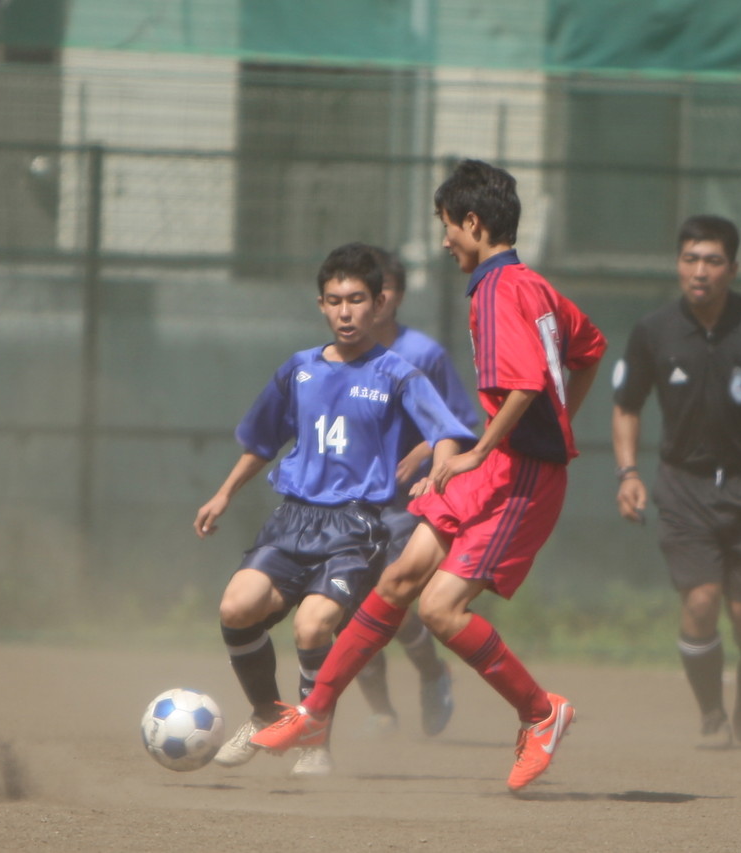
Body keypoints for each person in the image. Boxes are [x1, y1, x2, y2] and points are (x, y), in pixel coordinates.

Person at [249, 159, 608, 793]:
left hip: (519, 475)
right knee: (400, 576)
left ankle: (541, 713)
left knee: (440, 609)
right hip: (503, 463)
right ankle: (314, 713)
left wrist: (477, 450)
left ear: (473, 223)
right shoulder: (532, 284)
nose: (444, 241)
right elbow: (590, 348)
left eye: (447, 226)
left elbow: (526, 383)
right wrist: (557, 421)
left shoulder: (499, 290)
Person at [193, 242, 476, 778]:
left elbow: (448, 432)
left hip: (356, 527)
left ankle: (314, 743)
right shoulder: (298, 370)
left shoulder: (398, 372)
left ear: (378, 304)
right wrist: (224, 493)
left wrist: (438, 471)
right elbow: (262, 440)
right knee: (236, 607)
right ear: (321, 306)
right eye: (334, 300)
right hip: (294, 518)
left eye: (356, 299)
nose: (345, 311)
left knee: (312, 626)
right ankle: (264, 714)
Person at [612, 214, 741, 748]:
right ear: (678, 265)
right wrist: (628, 473)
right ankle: (711, 717)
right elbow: (626, 407)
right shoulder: (652, 331)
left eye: (713, 261)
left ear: (733, 268)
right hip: (684, 486)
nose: (700, 271)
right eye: (690, 259)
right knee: (700, 601)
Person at [354, 247, 481, 739]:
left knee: (393, 603)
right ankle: (382, 710)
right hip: (351, 501)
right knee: (352, 606)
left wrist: (427, 450)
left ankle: (431, 672)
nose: (372, 299)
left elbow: (462, 423)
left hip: (408, 500)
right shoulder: (339, 356)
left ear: (398, 296)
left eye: (381, 288)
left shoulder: (423, 353)